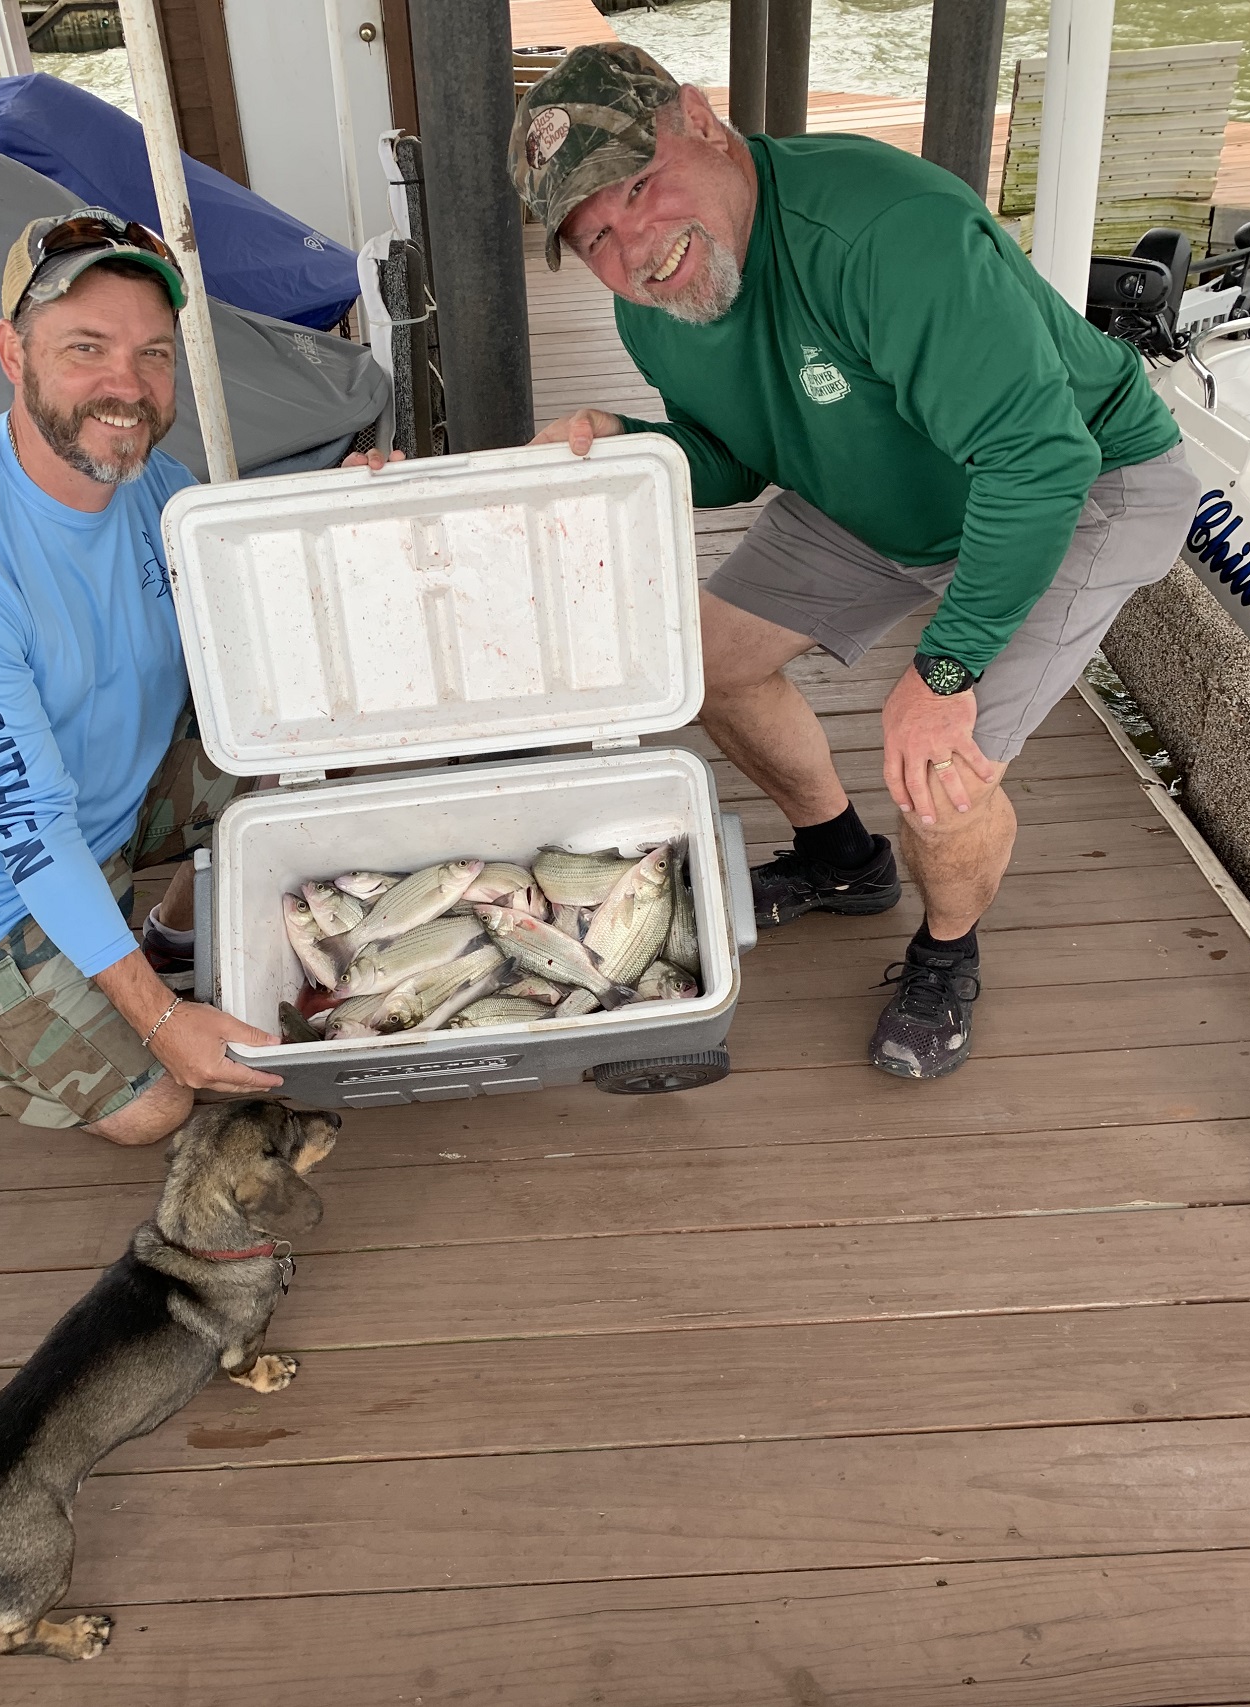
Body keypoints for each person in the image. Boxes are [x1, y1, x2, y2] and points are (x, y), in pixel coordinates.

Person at [508, 44, 1199, 1078]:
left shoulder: (882, 229)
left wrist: (946, 670)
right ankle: (841, 860)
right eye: (593, 236)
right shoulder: (652, 310)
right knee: (701, 661)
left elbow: (1037, 457)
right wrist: (634, 443)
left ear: (699, 119)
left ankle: (945, 952)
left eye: (638, 188)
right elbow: (740, 460)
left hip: (1080, 484)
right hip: (877, 496)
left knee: (940, 762)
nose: (632, 246)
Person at [0, 207, 290, 1143]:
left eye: (154, 354)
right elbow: (26, 826)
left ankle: (165, 930)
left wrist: (367, 504)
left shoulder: (160, 490)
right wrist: (164, 1022)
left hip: (113, 810)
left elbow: (276, 599)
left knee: (296, 742)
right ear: (12, 352)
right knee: (161, 1106)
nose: (125, 385)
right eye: (86, 346)